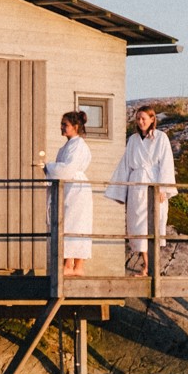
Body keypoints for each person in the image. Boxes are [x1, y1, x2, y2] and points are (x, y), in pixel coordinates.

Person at [106, 104, 176, 275]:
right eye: (138, 118)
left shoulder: (161, 138)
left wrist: (163, 189)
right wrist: (120, 191)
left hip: (154, 184)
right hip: (136, 185)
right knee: (137, 225)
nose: (140, 121)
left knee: (153, 223)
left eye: (144, 118)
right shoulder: (133, 140)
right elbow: (125, 166)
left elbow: (166, 164)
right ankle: (146, 265)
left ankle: (151, 266)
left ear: (152, 119)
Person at [42, 110, 93, 276]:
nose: (62, 127)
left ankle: (76, 266)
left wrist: (48, 166)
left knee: (76, 224)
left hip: (77, 187)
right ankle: (70, 264)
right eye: (62, 124)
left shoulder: (79, 146)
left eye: (65, 125)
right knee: (68, 223)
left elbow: (69, 169)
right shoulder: (66, 147)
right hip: (69, 187)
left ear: (75, 127)